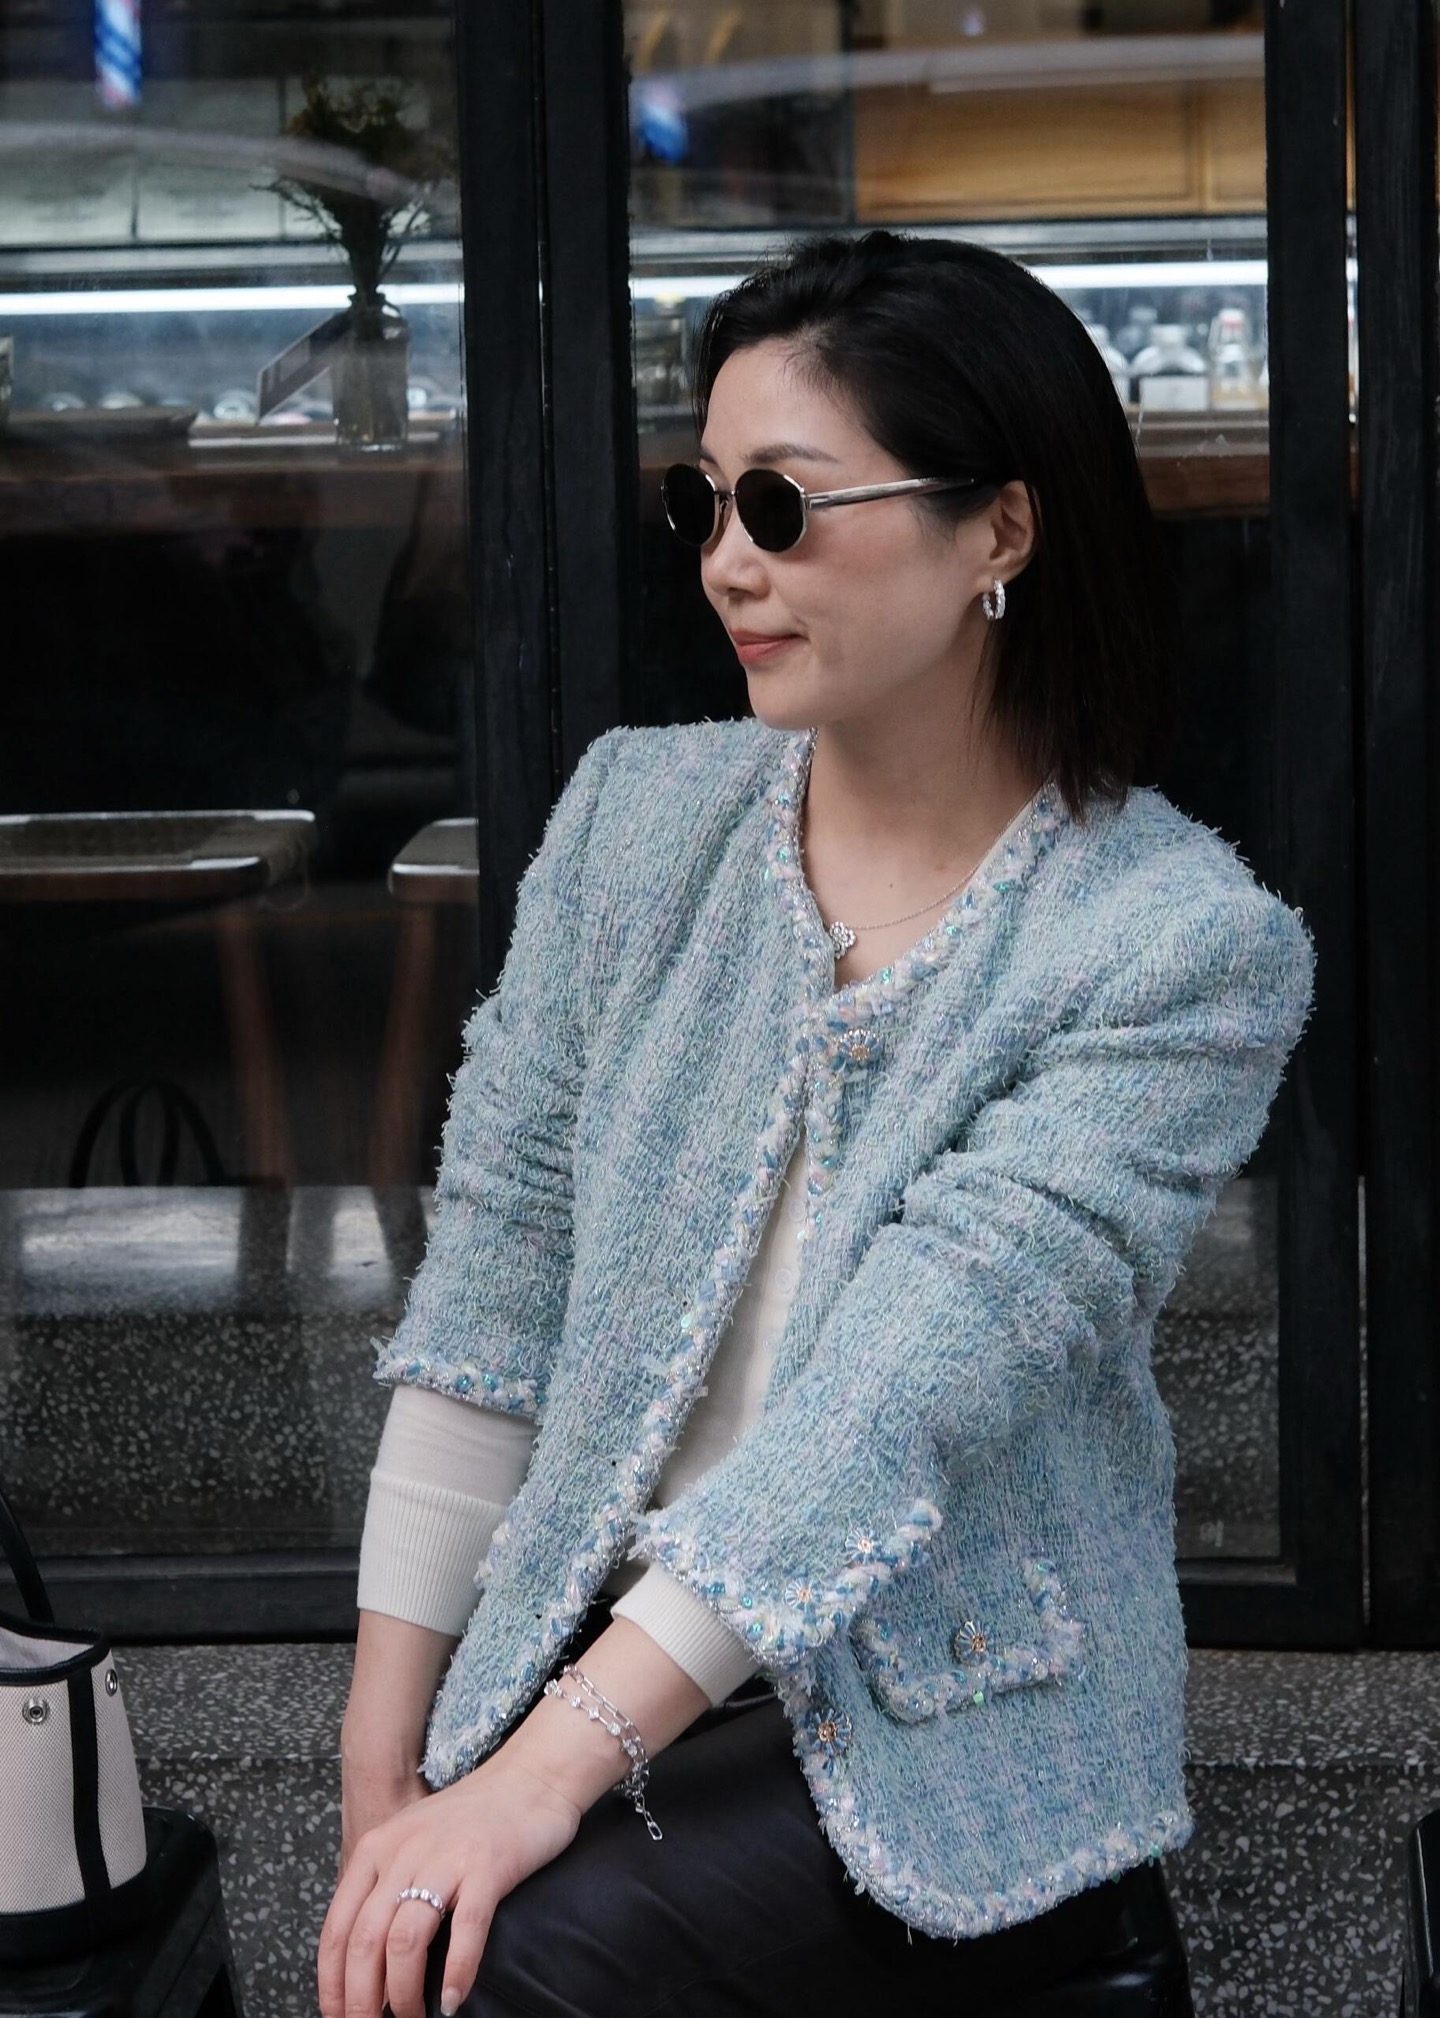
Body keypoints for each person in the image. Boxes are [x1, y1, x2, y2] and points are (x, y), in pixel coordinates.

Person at [319, 229, 1315, 2018]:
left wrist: (538, 1777)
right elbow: (496, 1278)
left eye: (782, 504)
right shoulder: (636, 818)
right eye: (703, 502)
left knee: (515, 1960)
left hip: (948, 1727)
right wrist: (383, 1765)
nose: (727, 561)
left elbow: (895, 1400)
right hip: (602, 1661)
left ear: (1000, 530)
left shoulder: (1177, 948)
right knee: (421, 1930)